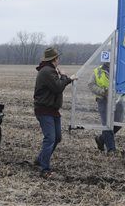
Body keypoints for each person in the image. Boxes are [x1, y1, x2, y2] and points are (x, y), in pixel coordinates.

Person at [33, 47, 77, 178]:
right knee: (50, 138)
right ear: (54, 59)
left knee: (57, 137)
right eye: (58, 58)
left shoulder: (49, 70)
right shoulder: (47, 71)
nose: (59, 60)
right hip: (44, 110)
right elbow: (58, 87)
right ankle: (45, 170)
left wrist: (63, 77)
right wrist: (66, 77)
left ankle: (40, 159)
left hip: (52, 110)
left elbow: (56, 86)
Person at [89, 62, 124, 155]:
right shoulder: (98, 71)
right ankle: (111, 149)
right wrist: (102, 92)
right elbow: (91, 84)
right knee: (107, 124)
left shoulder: (120, 69)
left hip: (117, 100)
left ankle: (101, 139)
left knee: (118, 123)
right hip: (103, 100)